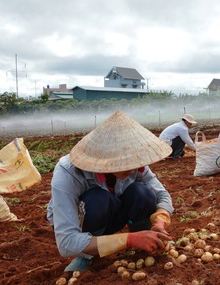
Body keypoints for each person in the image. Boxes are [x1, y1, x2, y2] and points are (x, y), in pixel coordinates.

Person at [47, 111, 174, 272]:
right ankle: (87, 256)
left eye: (132, 162)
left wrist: (160, 220)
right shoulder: (69, 172)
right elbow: (67, 242)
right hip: (85, 221)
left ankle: (146, 240)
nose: (131, 168)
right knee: (98, 199)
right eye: (123, 163)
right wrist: (129, 239)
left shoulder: (134, 162)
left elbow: (162, 194)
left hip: (114, 212)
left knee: (143, 193)